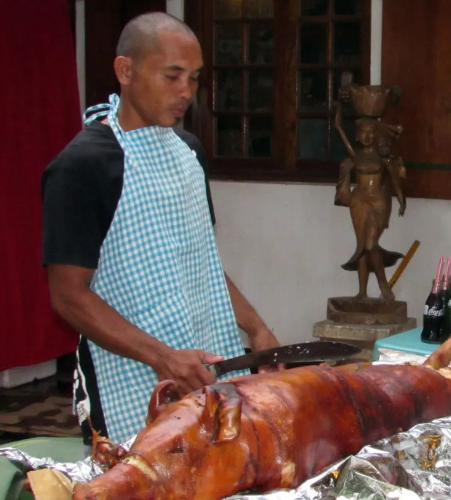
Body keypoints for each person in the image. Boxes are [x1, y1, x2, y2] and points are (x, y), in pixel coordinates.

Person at [42, 12, 279, 444]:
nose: (186, 91)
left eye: (194, 78)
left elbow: (202, 264)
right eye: (172, 76)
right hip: (128, 374)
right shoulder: (83, 166)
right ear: (125, 71)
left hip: (206, 363)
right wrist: (162, 357)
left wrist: (257, 327)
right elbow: (68, 295)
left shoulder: (189, 152)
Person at [334, 101, 406, 300]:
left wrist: (401, 199)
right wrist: (339, 110)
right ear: (357, 135)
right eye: (362, 132)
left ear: (377, 135)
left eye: (371, 132)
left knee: (370, 244)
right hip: (359, 200)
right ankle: (362, 292)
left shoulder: (383, 158)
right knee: (362, 246)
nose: (366, 136)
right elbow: (339, 128)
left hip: (378, 201)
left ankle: (383, 285)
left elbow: (394, 181)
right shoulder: (355, 155)